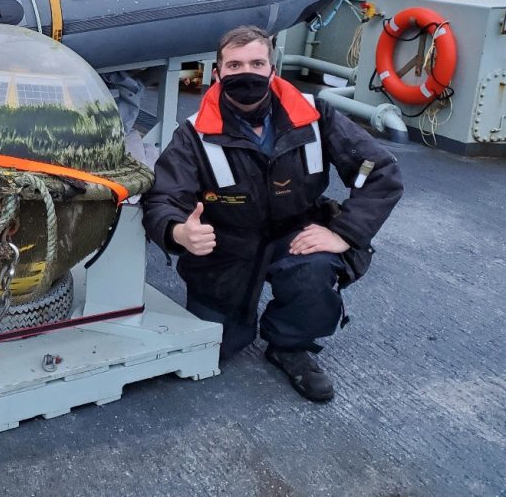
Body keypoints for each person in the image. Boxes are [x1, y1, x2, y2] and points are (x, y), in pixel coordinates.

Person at [142, 25, 403, 402]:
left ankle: (289, 343)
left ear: (272, 69)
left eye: (256, 62)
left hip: (296, 231)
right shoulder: (193, 134)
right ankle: (232, 321)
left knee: (315, 271)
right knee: (213, 343)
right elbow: (162, 198)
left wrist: (344, 232)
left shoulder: (316, 115)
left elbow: (379, 171)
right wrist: (179, 232)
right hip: (226, 244)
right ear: (217, 73)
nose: (245, 72)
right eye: (234, 65)